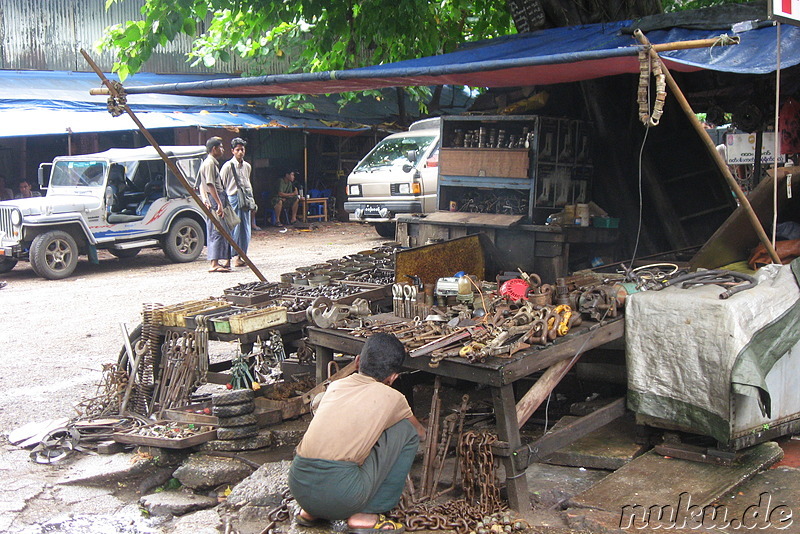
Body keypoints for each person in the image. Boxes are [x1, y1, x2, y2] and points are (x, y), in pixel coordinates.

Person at [288, 333, 426, 534]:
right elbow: (419, 432)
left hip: (299, 486)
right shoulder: (393, 397)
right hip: (343, 495)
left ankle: (310, 512)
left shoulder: (335, 386)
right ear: (394, 377)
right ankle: (367, 515)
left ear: (358, 361)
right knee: (406, 431)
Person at [198, 137, 232, 272]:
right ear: (214, 149)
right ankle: (214, 263)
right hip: (216, 198)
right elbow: (210, 184)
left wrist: (205, 198)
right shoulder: (209, 163)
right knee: (216, 230)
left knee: (222, 229)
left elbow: (202, 184)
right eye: (221, 147)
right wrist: (218, 203)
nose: (223, 150)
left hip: (215, 197)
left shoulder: (210, 163)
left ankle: (221, 260)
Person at [220, 137, 254, 267]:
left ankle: (241, 256)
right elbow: (222, 186)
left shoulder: (247, 166)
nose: (240, 152)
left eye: (242, 149)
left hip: (245, 199)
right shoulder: (227, 166)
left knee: (245, 230)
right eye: (238, 150)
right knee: (234, 229)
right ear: (232, 151)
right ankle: (230, 257)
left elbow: (248, 183)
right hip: (232, 199)